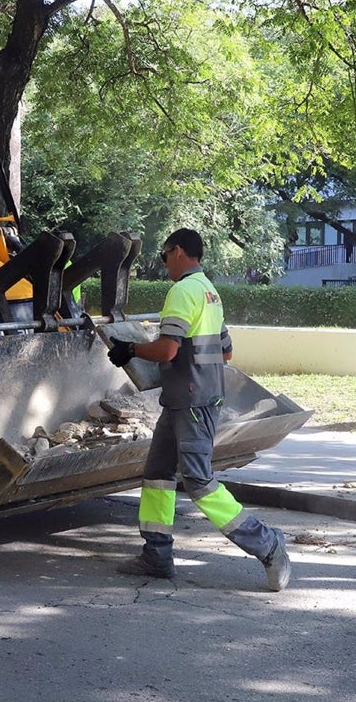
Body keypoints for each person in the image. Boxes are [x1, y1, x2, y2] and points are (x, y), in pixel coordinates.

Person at [106, 227, 292, 591]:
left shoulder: (182, 291)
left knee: (199, 482)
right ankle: (156, 555)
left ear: (177, 251)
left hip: (191, 402)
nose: (163, 263)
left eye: (163, 255)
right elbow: (226, 352)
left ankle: (268, 545)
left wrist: (130, 350)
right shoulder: (209, 291)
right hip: (187, 399)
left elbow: (167, 350)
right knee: (157, 474)